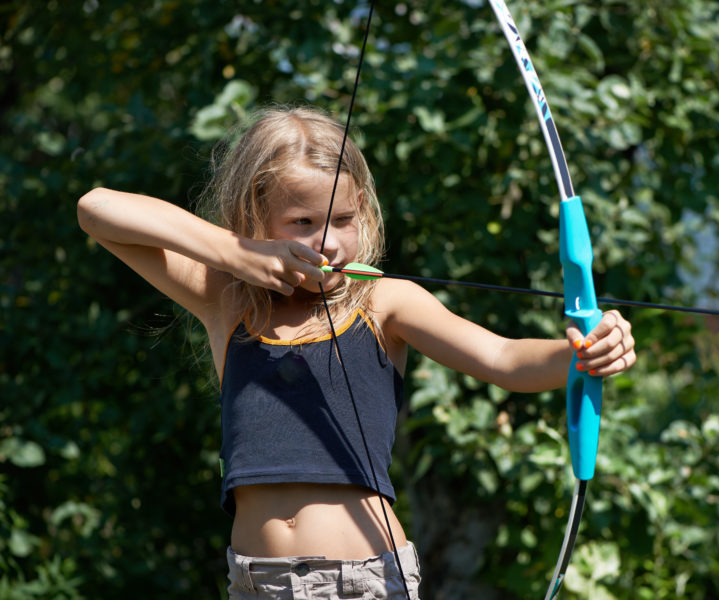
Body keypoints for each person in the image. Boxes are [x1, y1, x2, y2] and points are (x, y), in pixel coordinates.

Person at [77, 106, 636, 600]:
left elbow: (505, 360)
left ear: (363, 210)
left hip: (365, 580)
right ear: (254, 217)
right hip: (256, 582)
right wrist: (235, 253)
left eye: (342, 220)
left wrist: (585, 353)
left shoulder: (384, 303)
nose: (328, 242)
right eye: (302, 222)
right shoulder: (227, 302)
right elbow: (96, 210)